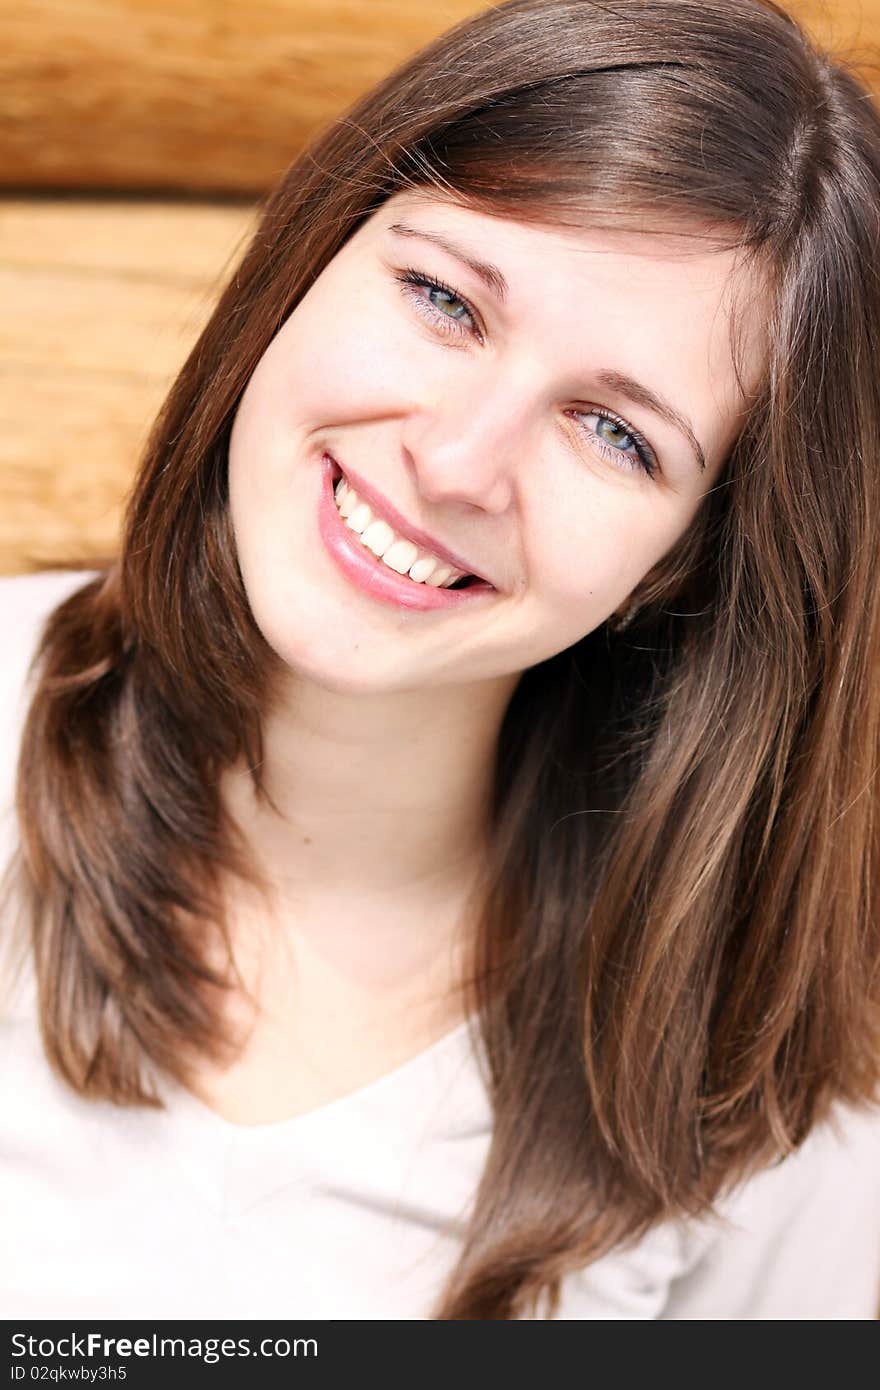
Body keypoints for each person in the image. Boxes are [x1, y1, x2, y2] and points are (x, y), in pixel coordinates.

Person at [2, 0, 880, 1320]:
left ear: (685, 561)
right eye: (442, 299)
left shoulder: (768, 1109)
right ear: (309, 256)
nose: (459, 463)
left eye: (614, 432)